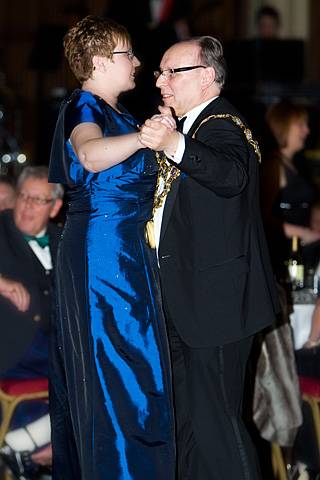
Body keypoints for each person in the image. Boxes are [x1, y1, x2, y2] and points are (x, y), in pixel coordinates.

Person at [139, 36, 279, 479]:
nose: (159, 80)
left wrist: (174, 144)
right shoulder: (193, 127)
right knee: (188, 426)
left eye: (170, 71)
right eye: (159, 72)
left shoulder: (221, 122)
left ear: (205, 77)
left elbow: (231, 175)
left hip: (214, 305)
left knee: (216, 424)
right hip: (185, 300)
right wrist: (170, 141)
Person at [48, 15, 175, 479]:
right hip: (99, 254)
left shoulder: (116, 112)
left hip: (122, 252)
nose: (137, 62)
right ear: (101, 63)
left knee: (133, 371)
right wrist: (144, 137)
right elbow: (88, 155)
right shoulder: (85, 106)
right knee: (113, 372)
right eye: (128, 55)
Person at [0, 165, 63, 478]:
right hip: (16, 349)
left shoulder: (64, 239)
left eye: (38, 200)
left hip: (56, 347)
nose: (26, 205)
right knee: (88, 382)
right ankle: (33, 450)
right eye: (24, 196)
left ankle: (25, 449)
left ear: (55, 207)